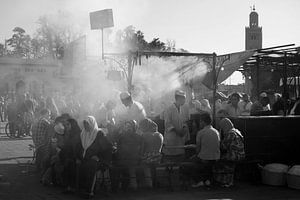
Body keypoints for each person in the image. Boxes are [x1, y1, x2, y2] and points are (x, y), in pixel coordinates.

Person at [75, 116, 113, 198]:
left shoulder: (99, 134)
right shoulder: (83, 134)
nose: (85, 126)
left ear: (92, 124)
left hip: (97, 160)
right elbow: (78, 148)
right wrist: (78, 157)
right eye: (84, 124)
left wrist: (99, 157)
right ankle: (81, 189)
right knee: (79, 166)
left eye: (87, 124)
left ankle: (90, 191)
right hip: (84, 159)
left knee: (91, 166)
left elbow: (108, 148)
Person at [191, 112, 220, 187]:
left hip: (205, 158)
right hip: (216, 158)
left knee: (192, 160)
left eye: (200, 121)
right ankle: (208, 180)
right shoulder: (216, 132)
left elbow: (198, 149)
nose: (200, 123)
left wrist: (195, 155)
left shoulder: (200, 133)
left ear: (203, 122)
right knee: (207, 161)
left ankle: (199, 180)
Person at [213, 118, 245, 187]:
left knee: (217, 161)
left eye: (222, 128)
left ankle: (224, 181)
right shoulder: (236, 131)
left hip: (234, 155)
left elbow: (223, 146)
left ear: (225, 126)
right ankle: (228, 181)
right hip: (240, 154)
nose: (222, 129)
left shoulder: (230, 134)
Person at [113, 120, 144, 190]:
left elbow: (118, 149)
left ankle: (122, 185)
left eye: (128, 126)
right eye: (127, 126)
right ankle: (129, 184)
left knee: (118, 164)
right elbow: (141, 150)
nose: (127, 128)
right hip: (135, 160)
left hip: (124, 161)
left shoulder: (121, 136)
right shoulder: (139, 137)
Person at [162, 90, 190, 160]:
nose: (185, 100)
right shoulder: (169, 108)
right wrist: (177, 131)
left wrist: (184, 129)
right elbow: (168, 123)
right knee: (170, 156)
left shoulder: (185, 108)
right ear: (178, 98)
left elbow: (186, 121)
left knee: (180, 155)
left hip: (181, 137)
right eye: (184, 98)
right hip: (172, 137)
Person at [138, 118, 164, 188]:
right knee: (152, 166)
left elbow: (142, 150)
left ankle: (149, 184)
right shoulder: (160, 135)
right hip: (158, 158)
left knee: (142, 164)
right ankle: (154, 182)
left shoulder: (144, 135)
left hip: (148, 158)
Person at [31, 109, 52, 173]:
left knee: (39, 153)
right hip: (42, 142)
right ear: (45, 114)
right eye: (49, 114)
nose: (49, 116)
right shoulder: (44, 121)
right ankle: (44, 169)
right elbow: (51, 127)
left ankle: (38, 167)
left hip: (36, 142)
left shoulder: (37, 120)